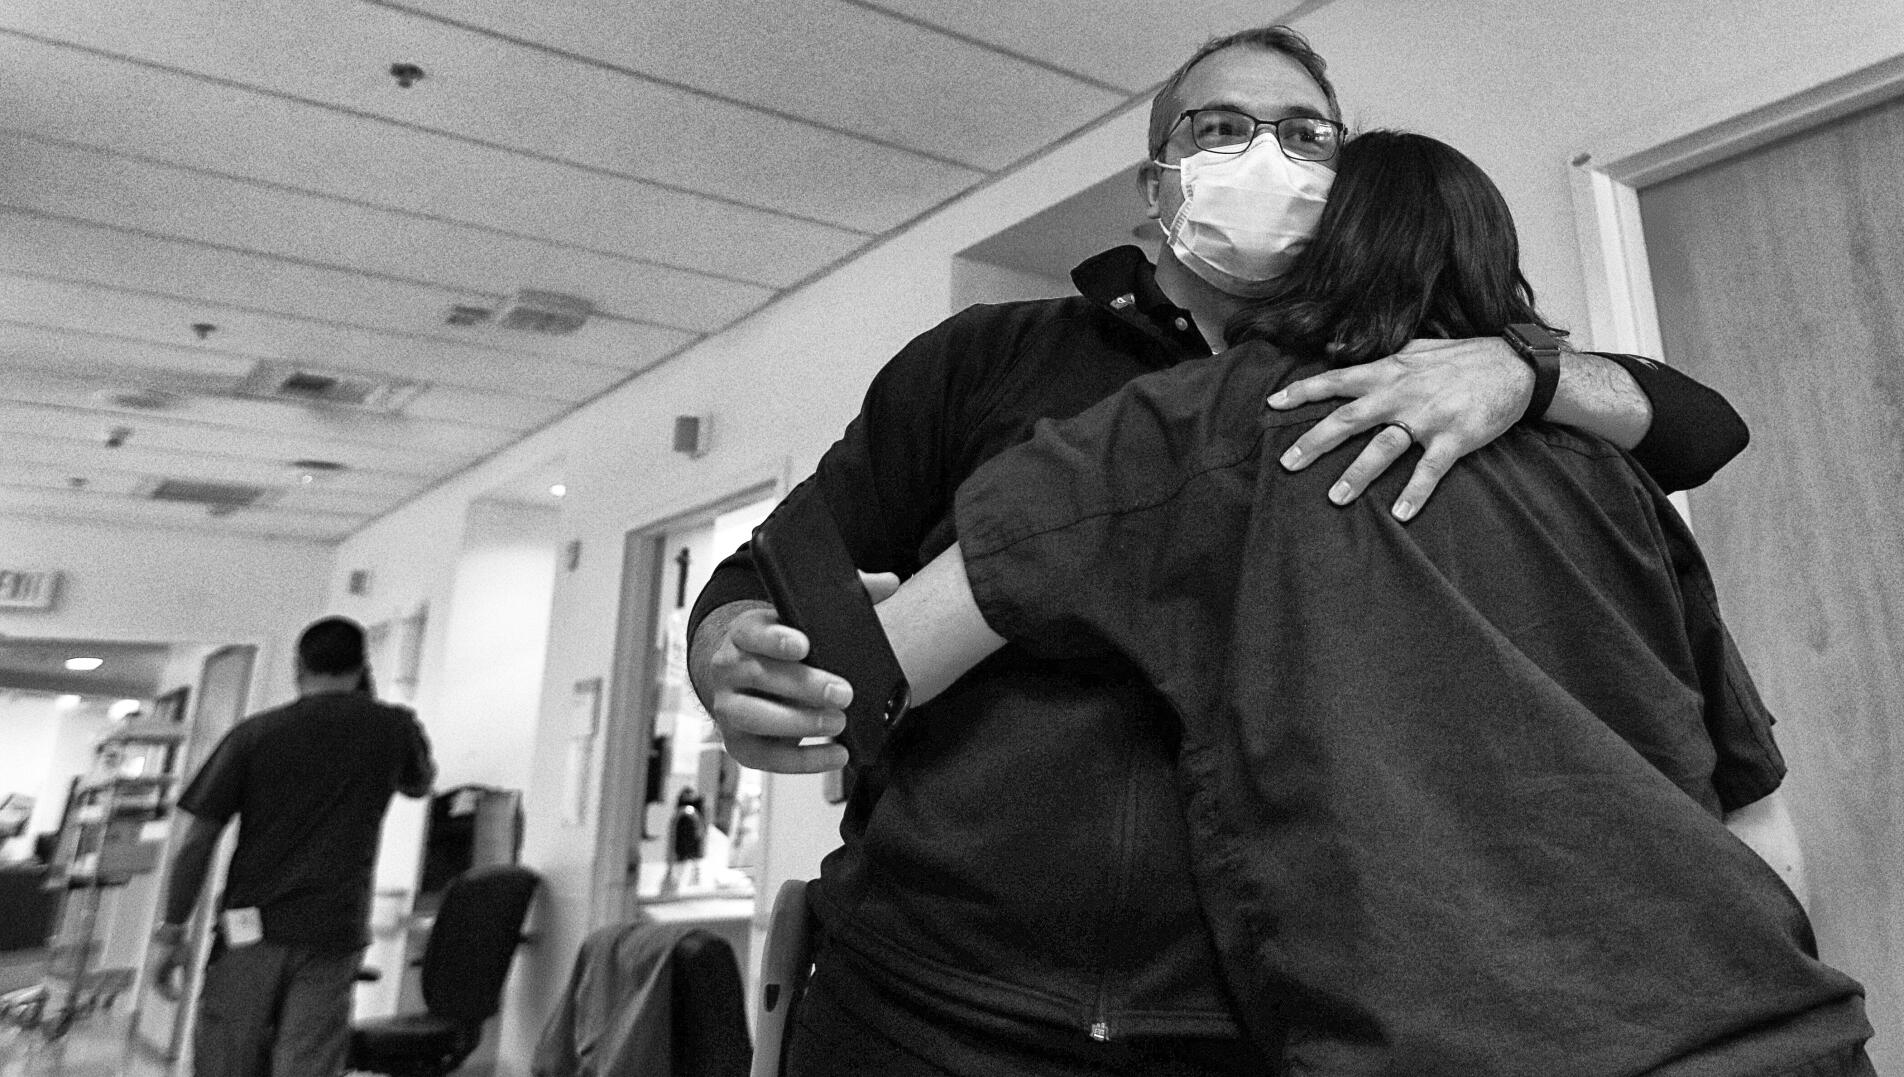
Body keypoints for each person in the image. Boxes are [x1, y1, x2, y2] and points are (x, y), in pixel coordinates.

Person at [690, 27, 1753, 1075]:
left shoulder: (1408, 391)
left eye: (1304, 136)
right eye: (1220, 127)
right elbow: (783, 581)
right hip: (932, 990)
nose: (1264, 155)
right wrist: (732, 646)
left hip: (1254, 1014)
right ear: (1157, 183)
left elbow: (1696, 429)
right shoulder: (988, 359)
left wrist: (1525, 370)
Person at [866, 130, 1873, 1074]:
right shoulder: (1613, 475)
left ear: (1312, 249)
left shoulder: (1202, 425)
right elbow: (1760, 817)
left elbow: (872, 673)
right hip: (1779, 1030)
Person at [150, 617, 436, 1077]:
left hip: (250, 935)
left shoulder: (256, 734)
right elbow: (419, 782)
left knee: (227, 1062)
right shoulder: (392, 729)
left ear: (296, 666)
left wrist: (171, 930)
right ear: (363, 666)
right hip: (333, 932)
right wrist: (370, 704)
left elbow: (198, 839)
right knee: (308, 1066)